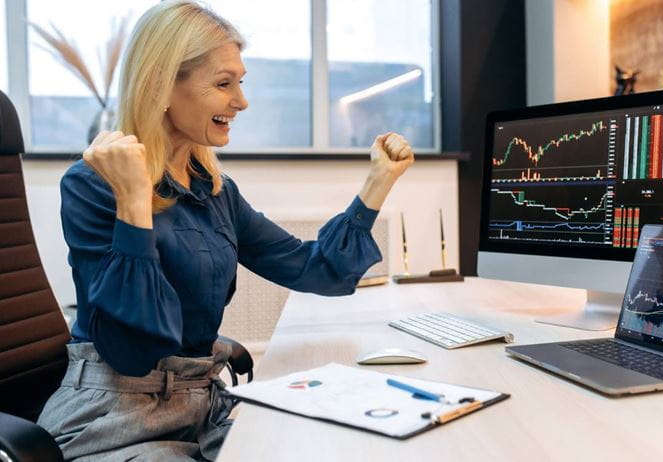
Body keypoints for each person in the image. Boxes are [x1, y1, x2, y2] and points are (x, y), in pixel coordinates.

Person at [35, 1, 414, 460]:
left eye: (240, 82)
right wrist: (134, 199)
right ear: (161, 85)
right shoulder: (92, 186)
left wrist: (378, 182)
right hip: (117, 415)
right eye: (223, 84)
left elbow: (316, 270)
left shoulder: (214, 190)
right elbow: (133, 350)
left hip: (199, 403)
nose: (242, 100)